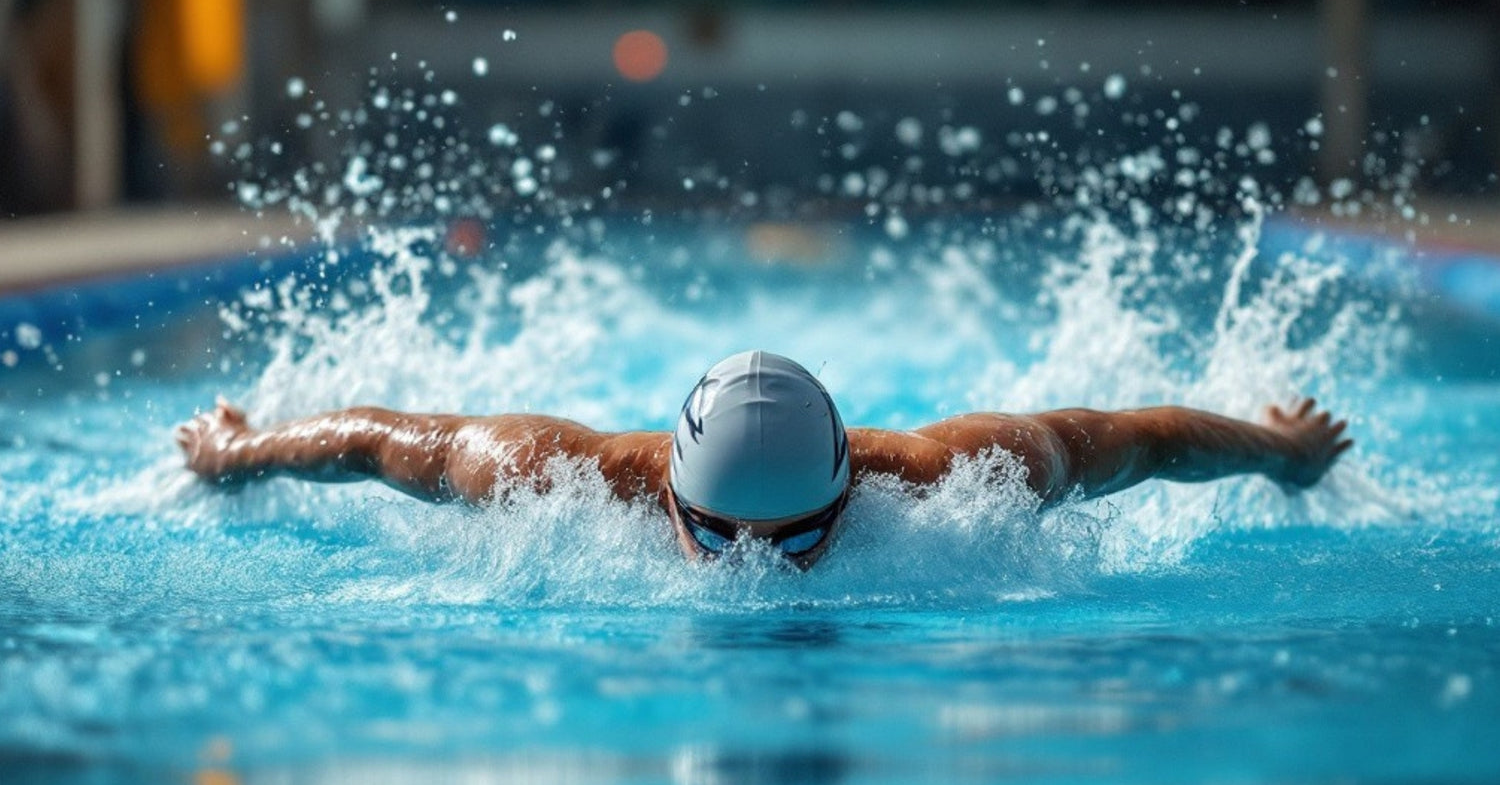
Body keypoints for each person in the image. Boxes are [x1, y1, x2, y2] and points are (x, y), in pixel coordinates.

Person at [176, 350, 1352, 568]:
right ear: (669, 500)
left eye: (798, 538)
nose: (761, 567)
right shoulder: (554, 478)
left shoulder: (947, 478)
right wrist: (241, 456)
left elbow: (1142, 436)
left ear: (851, 490)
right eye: (726, 537)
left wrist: (1286, 453)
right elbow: (386, 442)